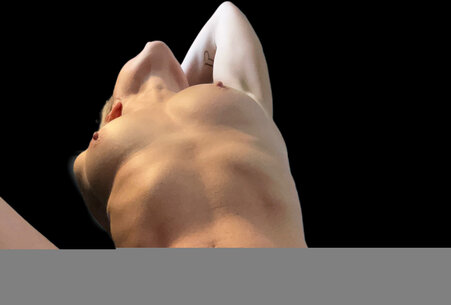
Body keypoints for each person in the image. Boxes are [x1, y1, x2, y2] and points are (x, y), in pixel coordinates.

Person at [1, 2, 307, 249]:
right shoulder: (95, 153)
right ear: (114, 112)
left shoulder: (235, 103)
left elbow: (226, 16)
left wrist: (175, 99)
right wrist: (178, 94)